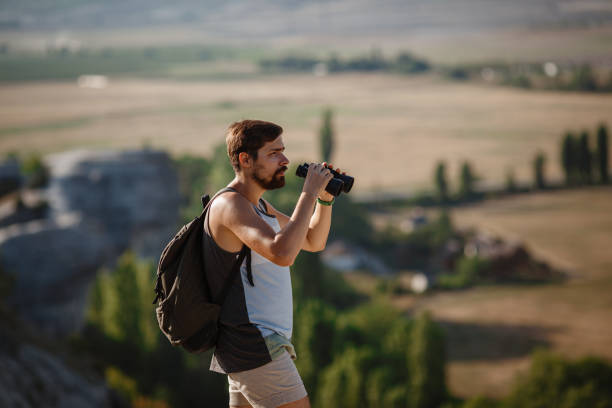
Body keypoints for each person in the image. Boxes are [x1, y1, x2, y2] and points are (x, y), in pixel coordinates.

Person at [204, 119, 340, 408]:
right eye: (274, 153)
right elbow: (282, 254)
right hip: (254, 342)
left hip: (254, 343)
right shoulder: (230, 206)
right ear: (245, 159)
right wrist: (308, 192)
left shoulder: (259, 207)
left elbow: (313, 240)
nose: (286, 160)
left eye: (283, 151)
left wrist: (324, 200)